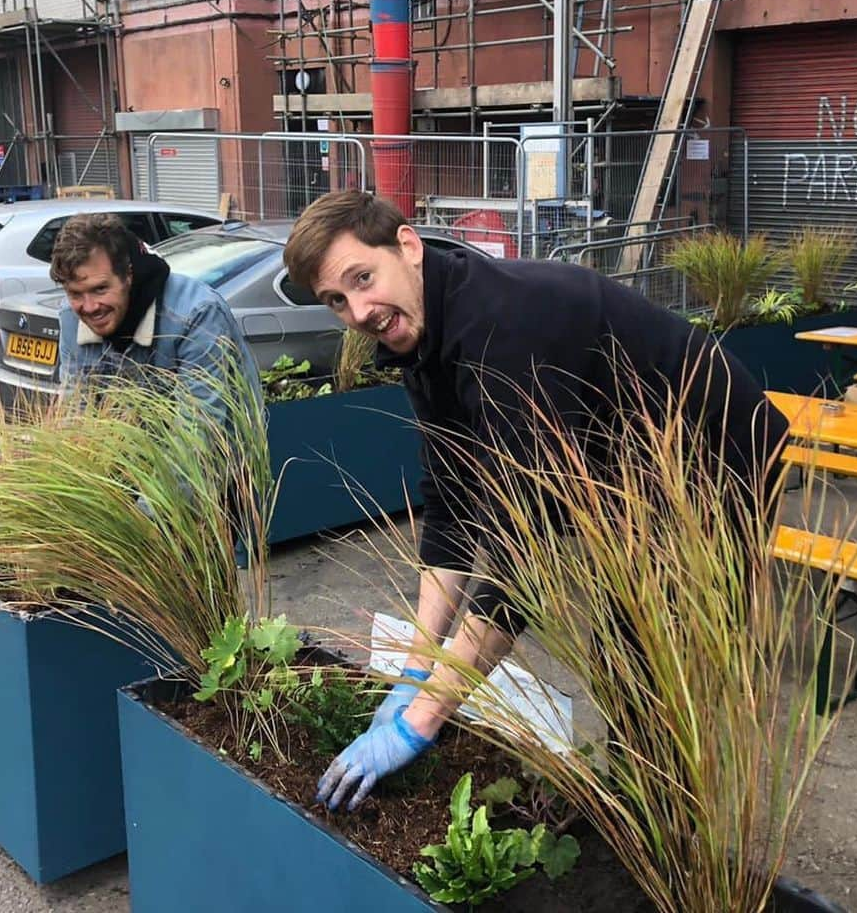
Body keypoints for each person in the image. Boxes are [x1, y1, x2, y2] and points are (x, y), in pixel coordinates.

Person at [283, 189, 789, 813]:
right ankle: (636, 794)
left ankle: (667, 826)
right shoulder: (421, 330)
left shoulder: (501, 329)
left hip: (714, 458)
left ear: (407, 246)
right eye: (337, 300)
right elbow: (452, 499)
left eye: (363, 278)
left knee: (659, 653)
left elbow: (526, 553)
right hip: (622, 467)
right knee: (623, 642)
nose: (359, 310)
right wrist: (419, 660)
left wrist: (424, 717)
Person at [51, 213, 259, 427]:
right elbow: (74, 415)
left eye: (100, 289)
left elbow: (198, 433)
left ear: (128, 276)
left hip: (215, 454)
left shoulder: (197, 315)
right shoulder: (70, 316)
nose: (90, 307)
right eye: (76, 294)